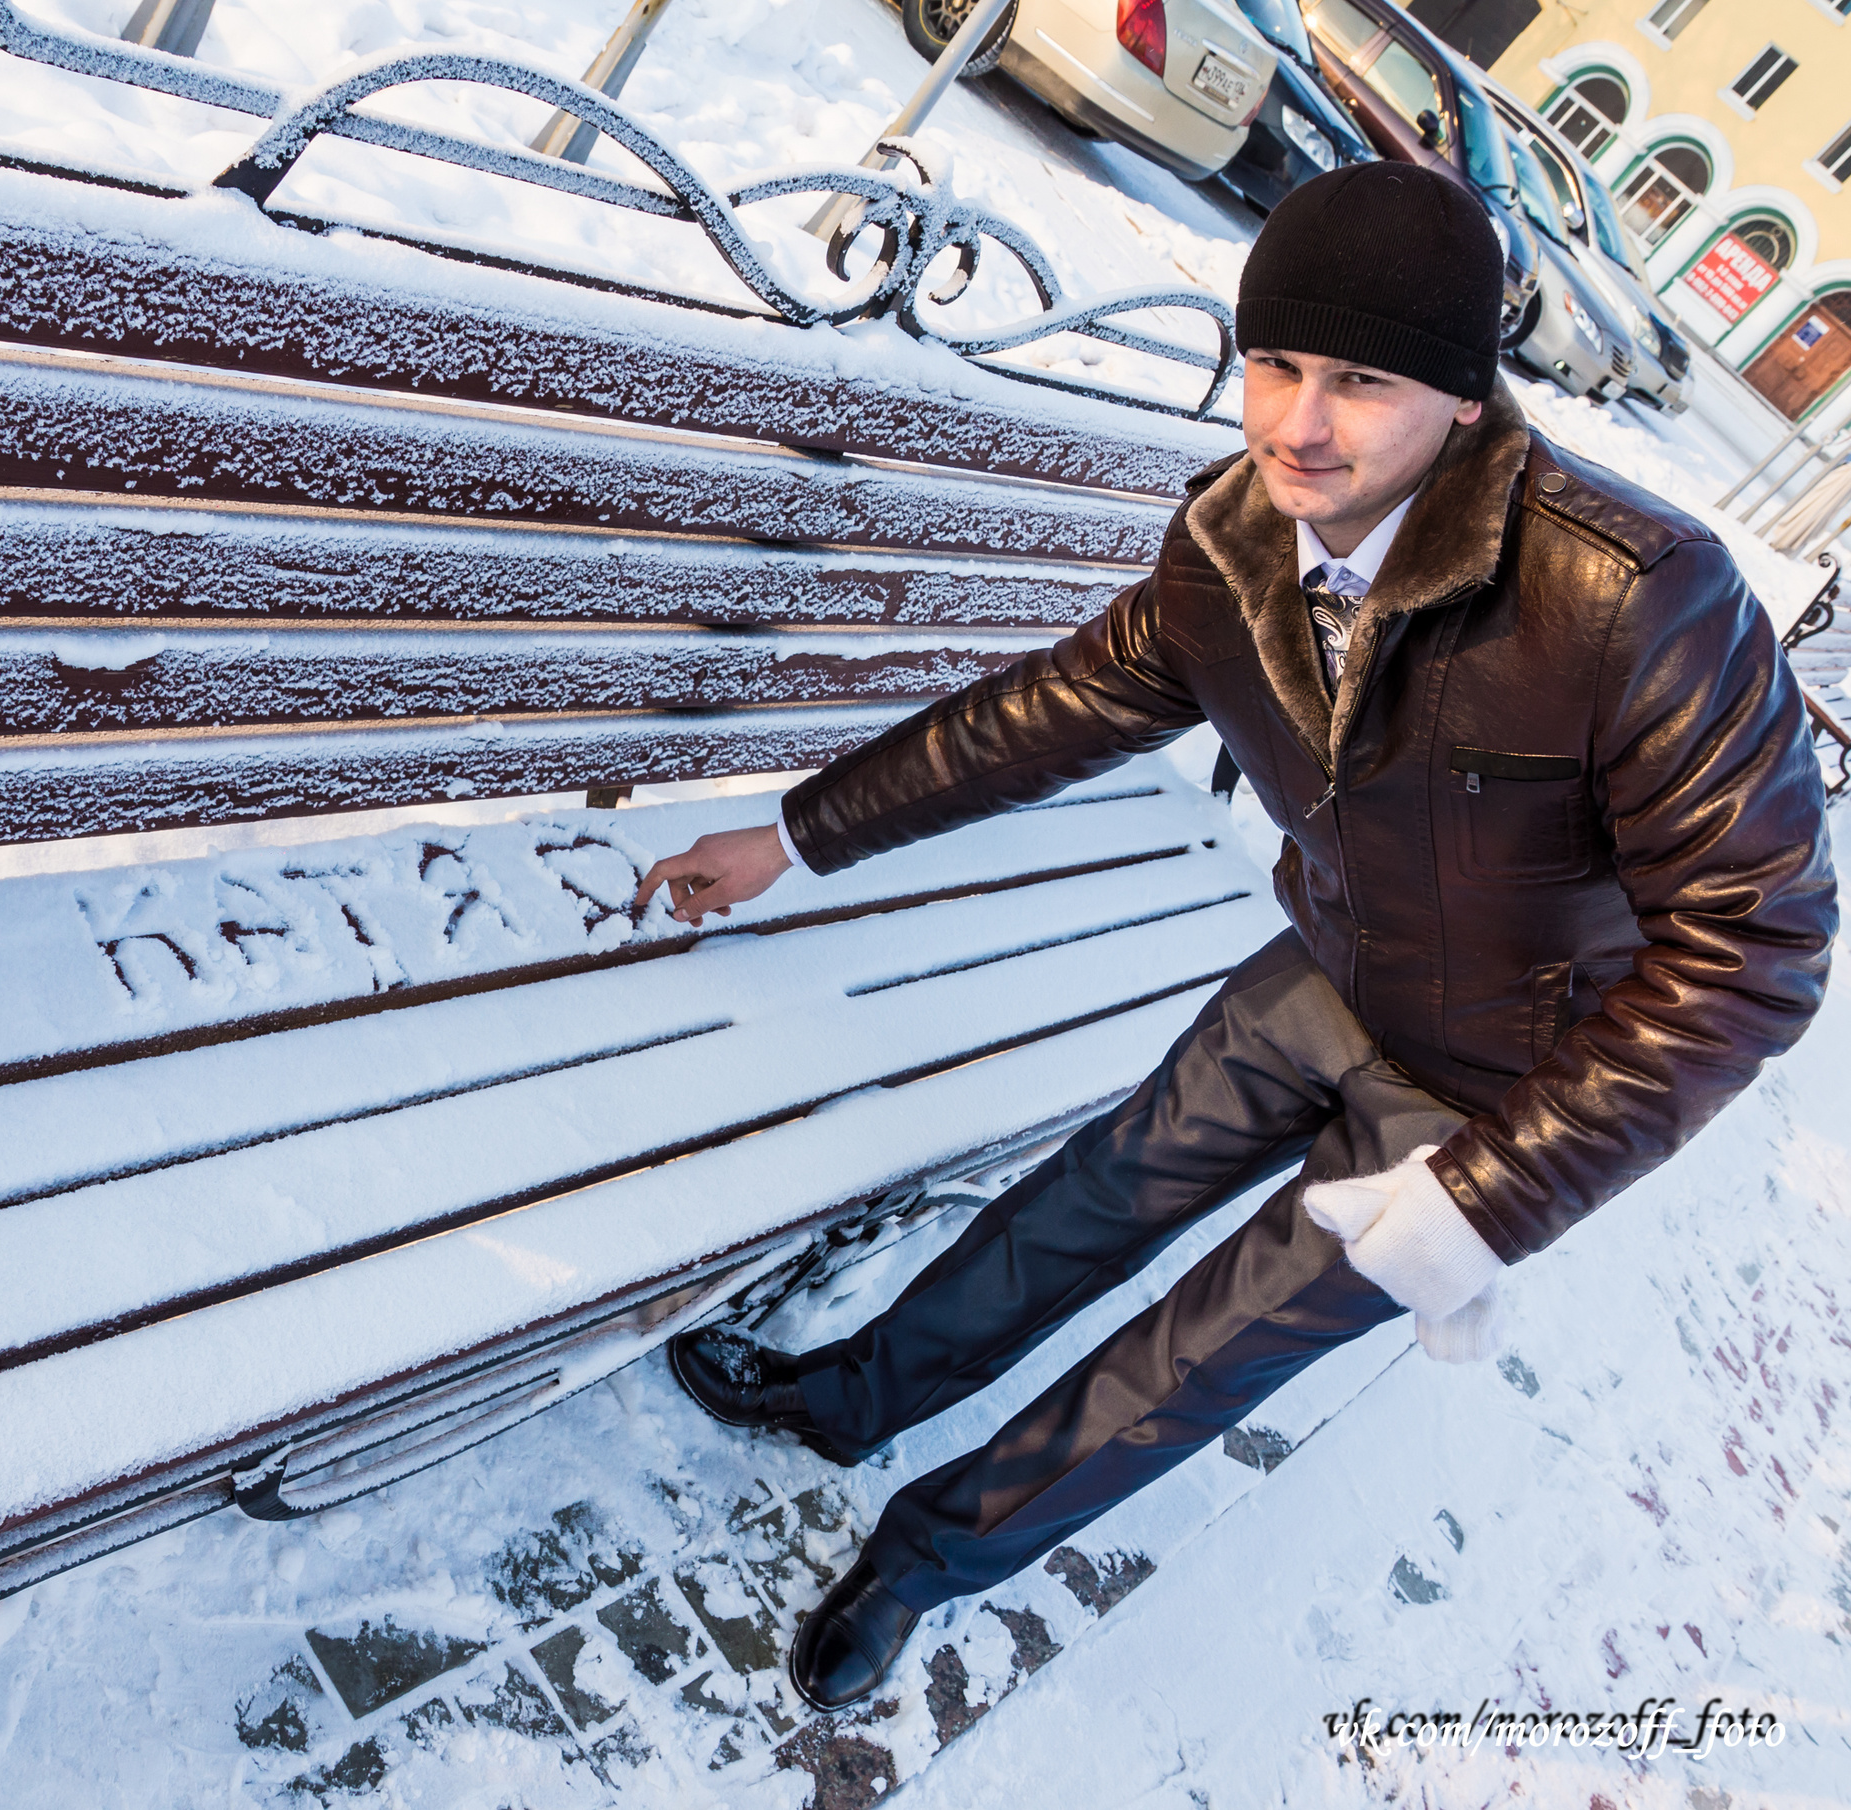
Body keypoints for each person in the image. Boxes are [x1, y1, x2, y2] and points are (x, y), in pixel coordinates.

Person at [635, 163, 1836, 1711]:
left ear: (1465, 402)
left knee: (1198, 1355)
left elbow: (1754, 950)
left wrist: (1487, 1192)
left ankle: (927, 1556)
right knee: (1094, 1194)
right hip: (1329, 969)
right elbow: (1051, 711)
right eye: (1274, 360)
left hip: (1501, 1087)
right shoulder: (1240, 539)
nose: (1294, 422)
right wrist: (795, 834)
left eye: (1360, 380)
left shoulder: (1637, 599)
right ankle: (856, 1391)